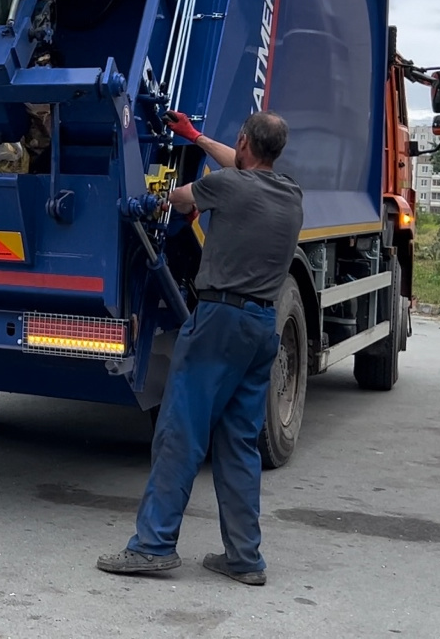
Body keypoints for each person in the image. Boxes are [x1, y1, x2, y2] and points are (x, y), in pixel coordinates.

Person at [97, 109, 303, 586]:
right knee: (238, 444)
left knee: (181, 431)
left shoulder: (227, 187)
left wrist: (154, 201)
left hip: (219, 323)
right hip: (260, 329)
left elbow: (179, 198)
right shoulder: (290, 194)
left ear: (247, 141)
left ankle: (152, 546)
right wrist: (195, 137)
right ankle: (245, 559)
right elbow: (242, 166)